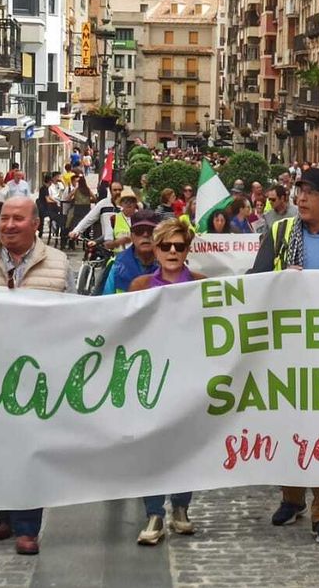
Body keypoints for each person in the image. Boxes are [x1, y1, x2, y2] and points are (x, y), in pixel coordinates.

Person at [250, 168, 319, 547]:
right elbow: (256, 278)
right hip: (288, 345)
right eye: (299, 191)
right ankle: (292, 497)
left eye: (310, 192)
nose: (300, 198)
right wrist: (283, 280)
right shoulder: (280, 233)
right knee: (290, 421)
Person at [0, 196, 73, 555]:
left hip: (38, 372)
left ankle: (28, 526)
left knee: (29, 448)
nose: (8, 225)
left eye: (17, 219)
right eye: (4, 218)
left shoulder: (57, 262)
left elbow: (77, 315)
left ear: (35, 224)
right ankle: (4, 515)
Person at [127, 219, 205, 545]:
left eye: (179, 246)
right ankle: (154, 513)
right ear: (156, 249)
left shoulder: (202, 284)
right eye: (166, 246)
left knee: (183, 446)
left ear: (187, 250)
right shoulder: (139, 286)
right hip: (150, 377)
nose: (173, 252)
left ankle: (181, 508)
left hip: (187, 376)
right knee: (152, 447)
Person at [101, 210, 162, 295]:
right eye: (139, 231)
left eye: (151, 230)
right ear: (132, 236)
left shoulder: (171, 263)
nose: (145, 235)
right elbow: (105, 302)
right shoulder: (116, 265)